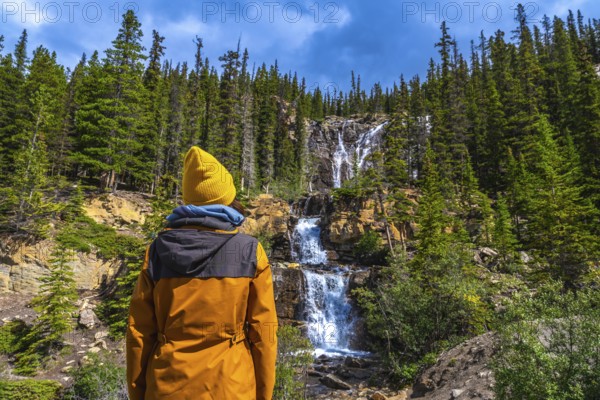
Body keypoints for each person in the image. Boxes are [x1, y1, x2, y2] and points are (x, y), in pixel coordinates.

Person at [126, 146, 278, 400]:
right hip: (231, 387)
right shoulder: (249, 251)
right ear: (226, 198)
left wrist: (139, 393)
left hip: (167, 386)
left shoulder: (157, 251)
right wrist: (263, 394)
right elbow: (264, 332)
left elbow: (139, 332)